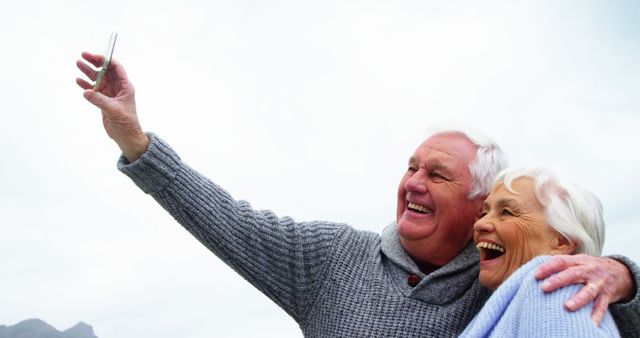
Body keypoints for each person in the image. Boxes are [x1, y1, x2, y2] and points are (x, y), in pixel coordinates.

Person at [75, 52, 640, 337]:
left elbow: (580, 302)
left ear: (479, 205)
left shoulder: (502, 278)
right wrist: (137, 142)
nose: (412, 182)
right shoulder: (332, 257)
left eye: (437, 175)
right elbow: (229, 220)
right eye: (410, 167)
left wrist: (623, 275)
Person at [460, 167, 620, 337]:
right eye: (485, 213)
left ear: (562, 241)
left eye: (507, 212)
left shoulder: (555, 286)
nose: (480, 224)